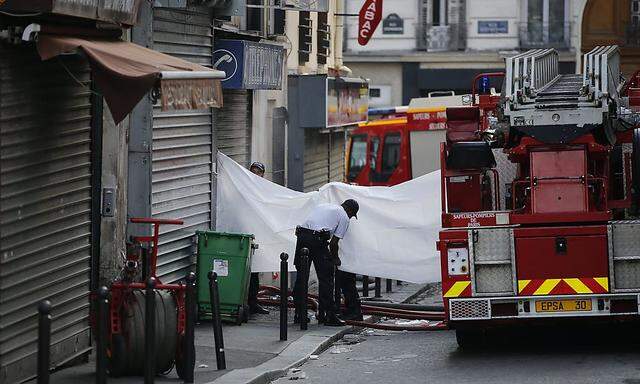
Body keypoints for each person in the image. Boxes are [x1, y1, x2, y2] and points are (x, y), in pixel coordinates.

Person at [293, 199, 359, 327]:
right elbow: (334, 243)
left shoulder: (324, 205)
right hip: (317, 239)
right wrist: (335, 259)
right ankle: (329, 315)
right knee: (326, 278)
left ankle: (299, 314)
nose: (350, 218)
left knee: (301, 277)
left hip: (302, 236)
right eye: (352, 215)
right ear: (350, 210)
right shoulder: (344, 216)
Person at [247, 161, 270, 315]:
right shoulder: (244, 186)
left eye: (258, 172)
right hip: (245, 231)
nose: (255, 174)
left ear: (262, 175)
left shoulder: (266, 190)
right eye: (253, 171)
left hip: (258, 233)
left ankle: (252, 302)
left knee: (255, 270)